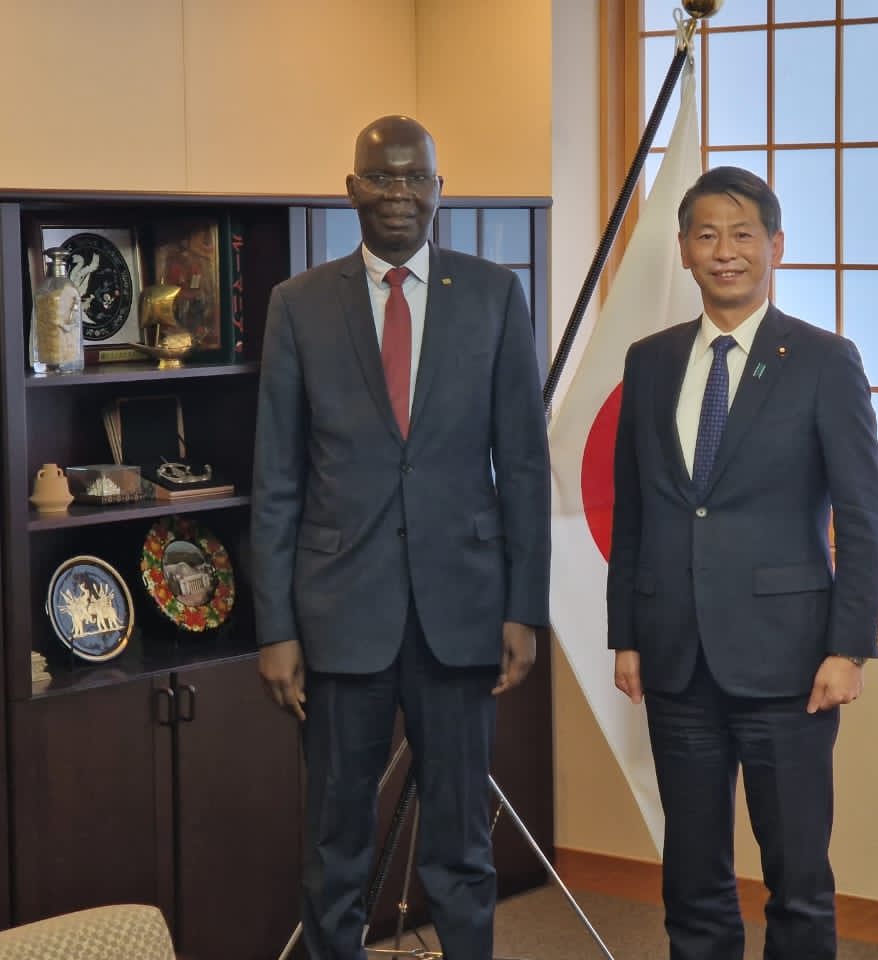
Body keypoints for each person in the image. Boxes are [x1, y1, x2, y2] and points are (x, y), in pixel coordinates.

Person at [251, 115, 551, 960]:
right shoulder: (298, 305)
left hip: (462, 612)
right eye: (381, 177)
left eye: (415, 177)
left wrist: (524, 608)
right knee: (334, 844)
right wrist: (275, 628)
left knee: (462, 846)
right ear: (351, 189)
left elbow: (524, 467)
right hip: (339, 616)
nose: (399, 194)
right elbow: (278, 478)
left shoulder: (493, 295)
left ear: (439, 190)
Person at [607, 166, 878, 960]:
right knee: (692, 876)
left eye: (742, 235)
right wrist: (626, 633)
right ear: (684, 251)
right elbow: (633, 509)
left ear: (776, 247)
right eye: (706, 235)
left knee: (796, 878)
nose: (724, 252)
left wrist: (849, 647)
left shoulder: (824, 359)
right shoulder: (650, 360)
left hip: (790, 662)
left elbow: (862, 517)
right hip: (675, 656)